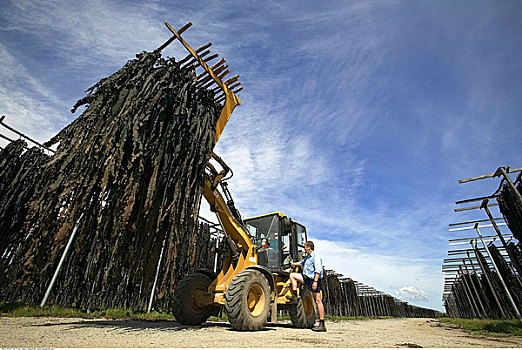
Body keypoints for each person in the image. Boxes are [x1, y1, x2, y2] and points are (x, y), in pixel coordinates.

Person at [287, 241, 326, 332]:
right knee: (293, 275)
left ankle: (322, 323)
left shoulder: (315, 257)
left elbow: (318, 270)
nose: (304, 248)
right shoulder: (308, 257)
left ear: (309, 247)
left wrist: (315, 282)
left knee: (317, 300)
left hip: (313, 280)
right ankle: (295, 296)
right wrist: (292, 264)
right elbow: (301, 263)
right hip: (306, 279)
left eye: (305, 247)